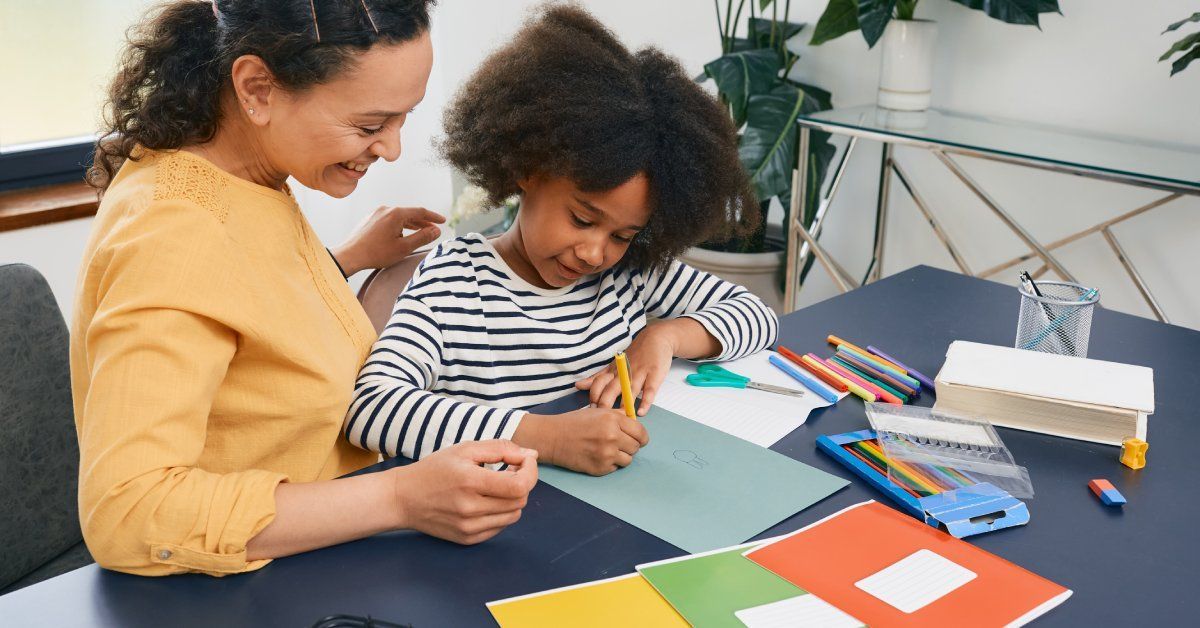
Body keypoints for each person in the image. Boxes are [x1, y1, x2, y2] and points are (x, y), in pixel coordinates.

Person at [73, 0, 536, 578]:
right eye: (369, 125)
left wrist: (340, 262)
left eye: (402, 119)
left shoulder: (240, 177)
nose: (390, 148)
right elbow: (128, 514)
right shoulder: (174, 235)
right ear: (258, 89)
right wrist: (400, 497)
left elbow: (238, 316)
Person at [343, 6, 779, 476]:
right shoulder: (454, 282)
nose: (595, 253)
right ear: (529, 170)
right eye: (581, 218)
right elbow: (371, 410)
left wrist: (665, 336)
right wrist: (546, 436)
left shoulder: (629, 274)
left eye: (623, 235)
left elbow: (758, 316)